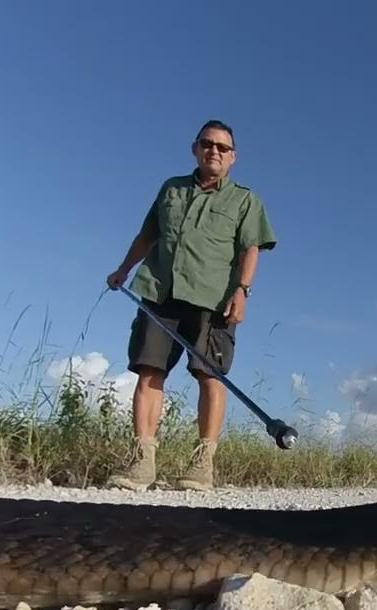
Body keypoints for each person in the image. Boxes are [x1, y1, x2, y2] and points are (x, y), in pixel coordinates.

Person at [104, 119, 277, 491]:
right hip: (160, 291)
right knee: (149, 371)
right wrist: (123, 269)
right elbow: (148, 235)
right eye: (207, 144)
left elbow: (251, 248)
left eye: (222, 147)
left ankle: (202, 464)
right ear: (195, 148)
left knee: (210, 375)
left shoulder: (245, 199)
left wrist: (242, 291)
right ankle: (142, 461)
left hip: (213, 299)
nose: (214, 151)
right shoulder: (171, 188)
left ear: (233, 157)